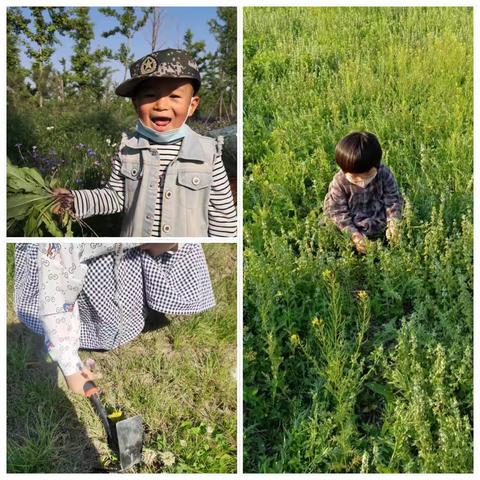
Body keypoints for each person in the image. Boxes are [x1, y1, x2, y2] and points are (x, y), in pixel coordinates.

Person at [53, 49, 237, 237]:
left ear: (192, 105)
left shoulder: (208, 154)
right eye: (150, 96)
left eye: (174, 96)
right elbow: (116, 197)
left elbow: (224, 218)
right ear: (135, 103)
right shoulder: (128, 150)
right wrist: (72, 200)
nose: (161, 105)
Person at [14, 242, 215, 395]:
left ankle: (119, 326)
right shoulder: (60, 247)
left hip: (123, 257)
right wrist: (70, 366)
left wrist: (171, 243)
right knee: (73, 301)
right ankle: (90, 334)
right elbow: (56, 297)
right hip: (68, 267)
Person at [323, 131, 403, 253]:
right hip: (352, 215)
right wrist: (354, 236)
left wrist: (393, 222)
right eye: (354, 177)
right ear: (343, 170)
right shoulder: (339, 183)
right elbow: (338, 212)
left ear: (376, 166)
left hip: (376, 210)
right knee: (331, 225)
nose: (362, 182)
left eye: (368, 175)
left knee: (402, 211)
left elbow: (392, 198)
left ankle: (383, 237)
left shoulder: (383, 173)